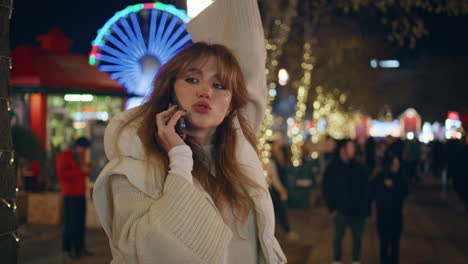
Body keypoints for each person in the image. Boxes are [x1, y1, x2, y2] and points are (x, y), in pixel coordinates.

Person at [92, 0, 287, 263]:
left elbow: (249, 50)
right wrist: (180, 161)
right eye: (192, 79)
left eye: (219, 85)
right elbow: (142, 251)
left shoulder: (240, 157)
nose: (205, 91)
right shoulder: (133, 163)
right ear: (170, 89)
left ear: (232, 104)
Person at [322, 139, 369, 264]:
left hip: (358, 211)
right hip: (341, 210)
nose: (353, 150)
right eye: (350, 147)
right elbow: (327, 188)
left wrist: (366, 208)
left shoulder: (358, 167)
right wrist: (332, 208)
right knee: (338, 238)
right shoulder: (333, 167)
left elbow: (366, 188)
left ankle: (356, 260)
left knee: (357, 238)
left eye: (353, 147)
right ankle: (337, 260)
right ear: (343, 149)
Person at [56, 137, 92, 259]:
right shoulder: (65, 155)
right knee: (70, 224)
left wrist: (87, 170)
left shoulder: (78, 156)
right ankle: (67, 250)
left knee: (80, 223)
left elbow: (81, 173)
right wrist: (80, 170)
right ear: (78, 146)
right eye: (84, 148)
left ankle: (79, 248)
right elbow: (62, 174)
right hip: (70, 195)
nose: (84, 151)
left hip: (80, 194)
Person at [371, 154, 408, 264]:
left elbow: (405, 192)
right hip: (383, 215)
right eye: (394, 164)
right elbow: (373, 192)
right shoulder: (380, 177)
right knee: (384, 242)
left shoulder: (401, 178)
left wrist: (394, 188)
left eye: (397, 164)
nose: (396, 167)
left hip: (396, 215)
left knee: (395, 243)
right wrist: (383, 185)